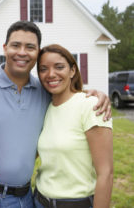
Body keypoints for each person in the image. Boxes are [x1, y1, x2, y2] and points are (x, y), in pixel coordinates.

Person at [0, 21, 112, 208]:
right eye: (15, 45)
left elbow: (68, 96)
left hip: (25, 199)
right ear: (5, 48)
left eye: (30, 47)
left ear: (37, 53)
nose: (22, 52)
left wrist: (93, 94)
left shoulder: (45, 93)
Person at [34, 44, 113, 208]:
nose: (51, 74)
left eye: (59, 67)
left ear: (72, 70)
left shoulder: (91, 106)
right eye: (43, 69)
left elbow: (106, 174)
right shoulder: (45, 107)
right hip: (39, 200)